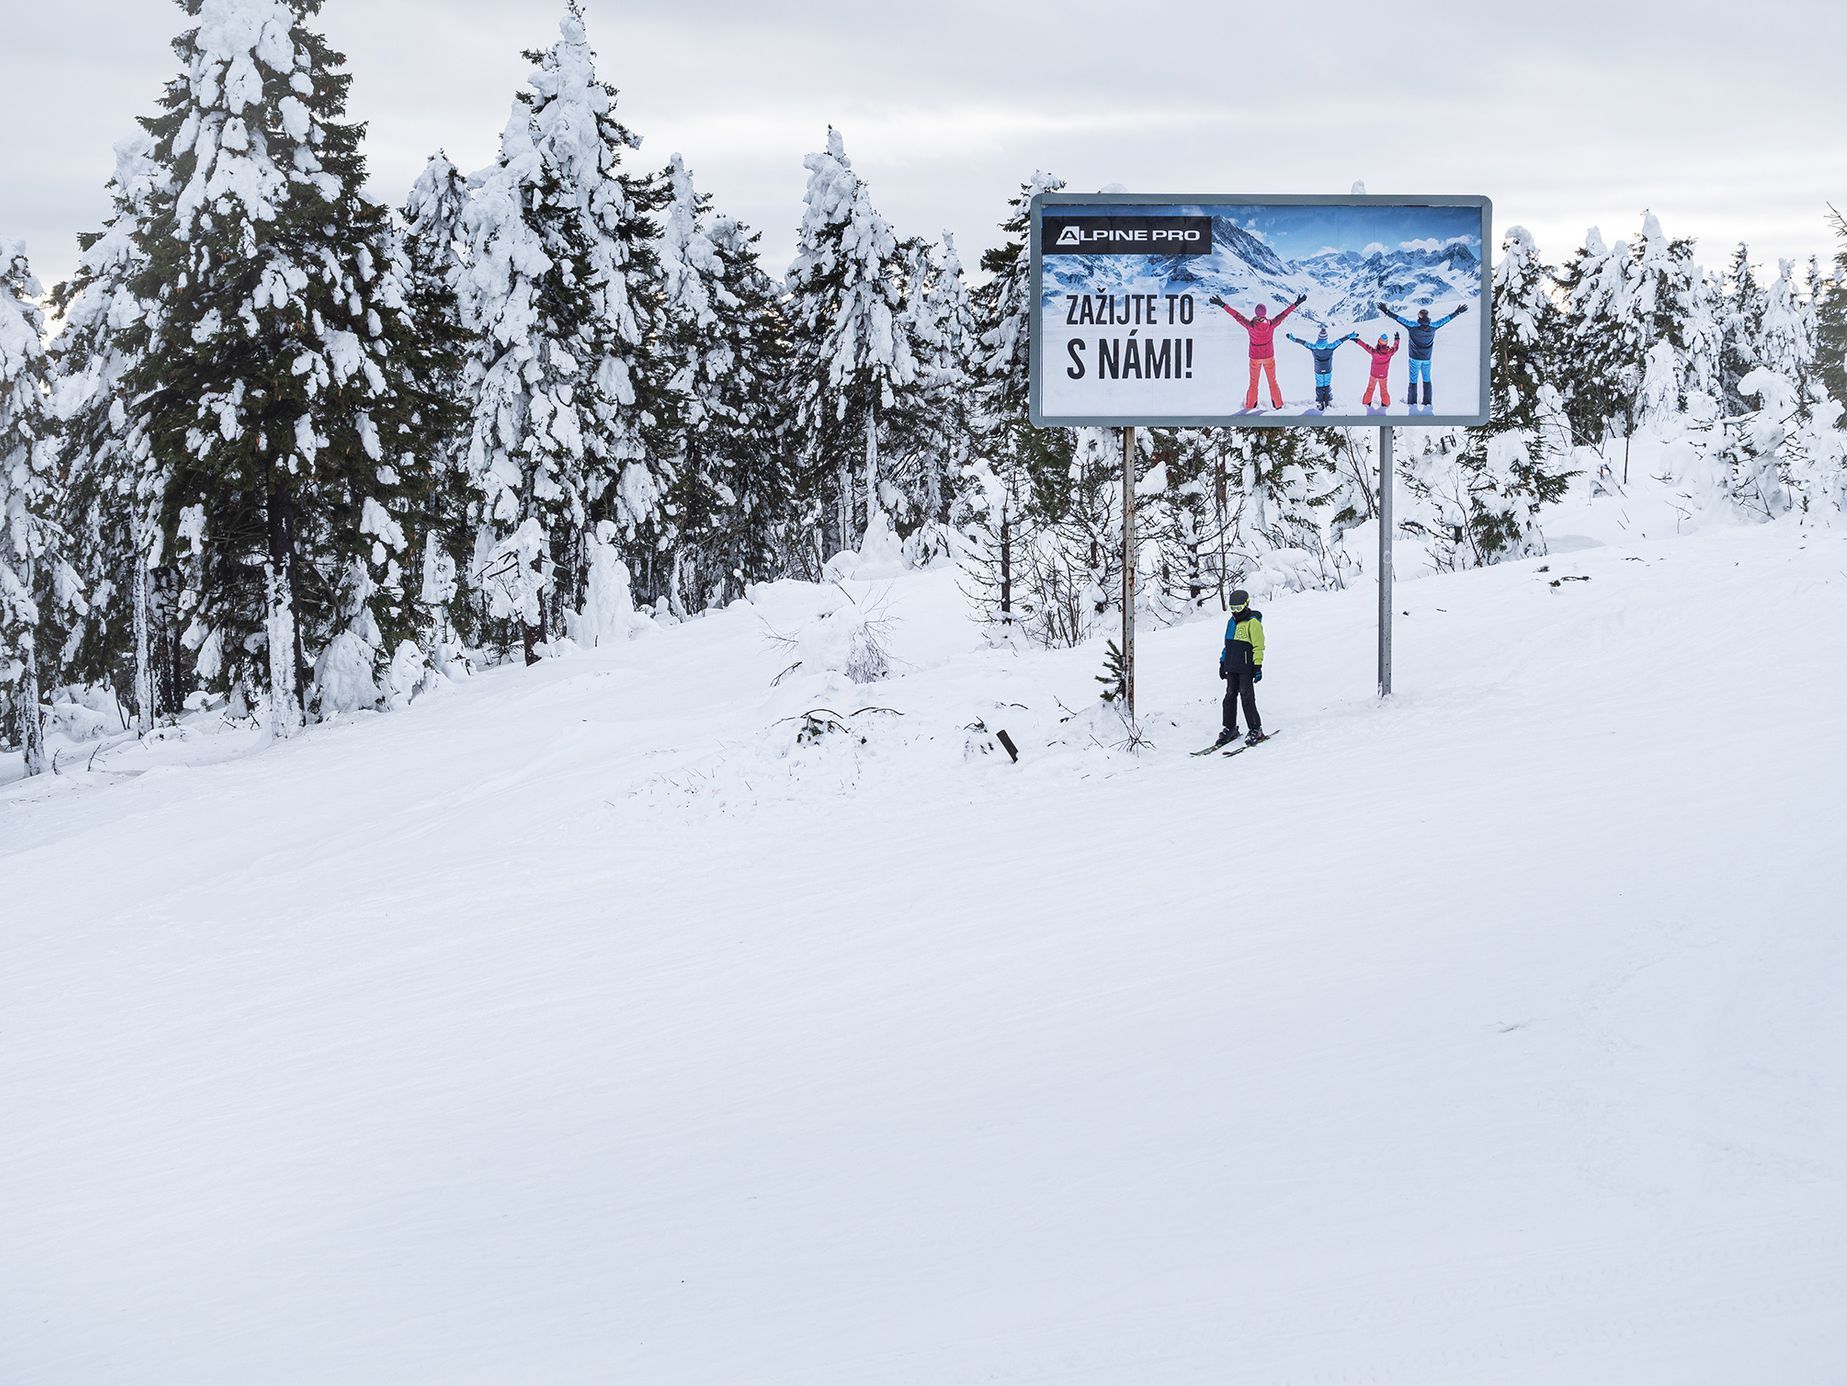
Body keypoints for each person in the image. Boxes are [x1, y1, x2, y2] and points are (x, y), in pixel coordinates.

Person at [1210, 292, 1307, 410]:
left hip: (1255, 357)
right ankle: (1278, 405)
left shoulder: (1250, 325)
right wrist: (1297, 303)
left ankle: (1250, 405)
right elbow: (1284, 314)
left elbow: (1237, 316)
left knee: (1253, 382)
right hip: (1269, 357)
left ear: (1256, 313)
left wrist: (1222, 304)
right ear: (1265, 313)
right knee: (1272, 381)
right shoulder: (1271, 324)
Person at [1378, 301, 1469, 406]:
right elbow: (1445, 320)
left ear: (1419, 317)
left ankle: (1412, 402)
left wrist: (1386, 311)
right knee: (1427, 379)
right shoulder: (1433, 326)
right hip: (1427, 358)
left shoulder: (1412, 326)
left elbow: (1398, 319)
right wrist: (1457, 312)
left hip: (1414, 358)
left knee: (1413, 380)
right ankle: (1427, 402)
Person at [1211, 589, 1267, 749]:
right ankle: (1230, 728)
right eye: (1232, 608)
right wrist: (1223, 662)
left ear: (1246, 605)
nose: (1235, 612)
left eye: (1238, 608)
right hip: (1232, 666)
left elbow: (1259, 646)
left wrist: (1257, 665)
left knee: (1246, 697)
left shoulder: (1253, 623)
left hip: (1246, 667)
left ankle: (1256, 729)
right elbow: (1227, 644)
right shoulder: (1231, 622)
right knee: (1229, 696)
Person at [1286, 325, 1360, 410]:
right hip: (1328, 370)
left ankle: (1320, 402)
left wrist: (1293, 338)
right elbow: (1341, 340)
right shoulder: (1331, 346)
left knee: (1319, 386)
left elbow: (1303, 342)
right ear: (1326, 339)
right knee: (1327, 385)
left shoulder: (1313, 347)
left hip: (1318, 371)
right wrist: (1351, 335)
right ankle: (1328, 401)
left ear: (1318, 338)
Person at [1357, 332, 1400, 407]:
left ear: (1379, 342)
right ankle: (1386, 404)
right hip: (1384, 376)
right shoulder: (1389, 352)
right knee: (1384, 390)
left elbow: (1365, 346)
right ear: (1386, 343)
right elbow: (1396, 347)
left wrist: (1357, 340)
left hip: (1373, 375)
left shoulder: (1374, 351)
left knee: (1370, 389)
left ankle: (1366, 403)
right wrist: (1397, 339)